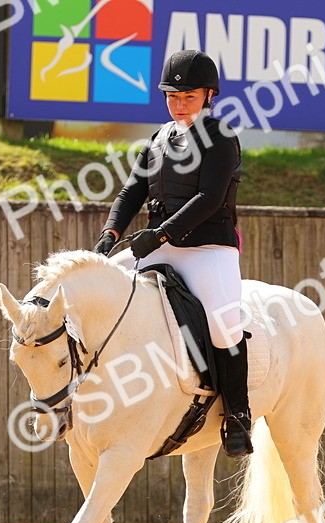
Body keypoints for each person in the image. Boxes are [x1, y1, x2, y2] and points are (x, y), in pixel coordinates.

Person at [95, 50, 251, 457]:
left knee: (223, 323)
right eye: (172, 97)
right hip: (160, 244)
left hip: (208, 249)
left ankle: (238, 416)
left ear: (209, 95)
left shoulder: (221, 136)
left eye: (189, 98)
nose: (179, 105)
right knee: (101, 282)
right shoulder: (159, 137)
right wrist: (111, 232)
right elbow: (132, 191)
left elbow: (209, 197)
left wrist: (159, 235)